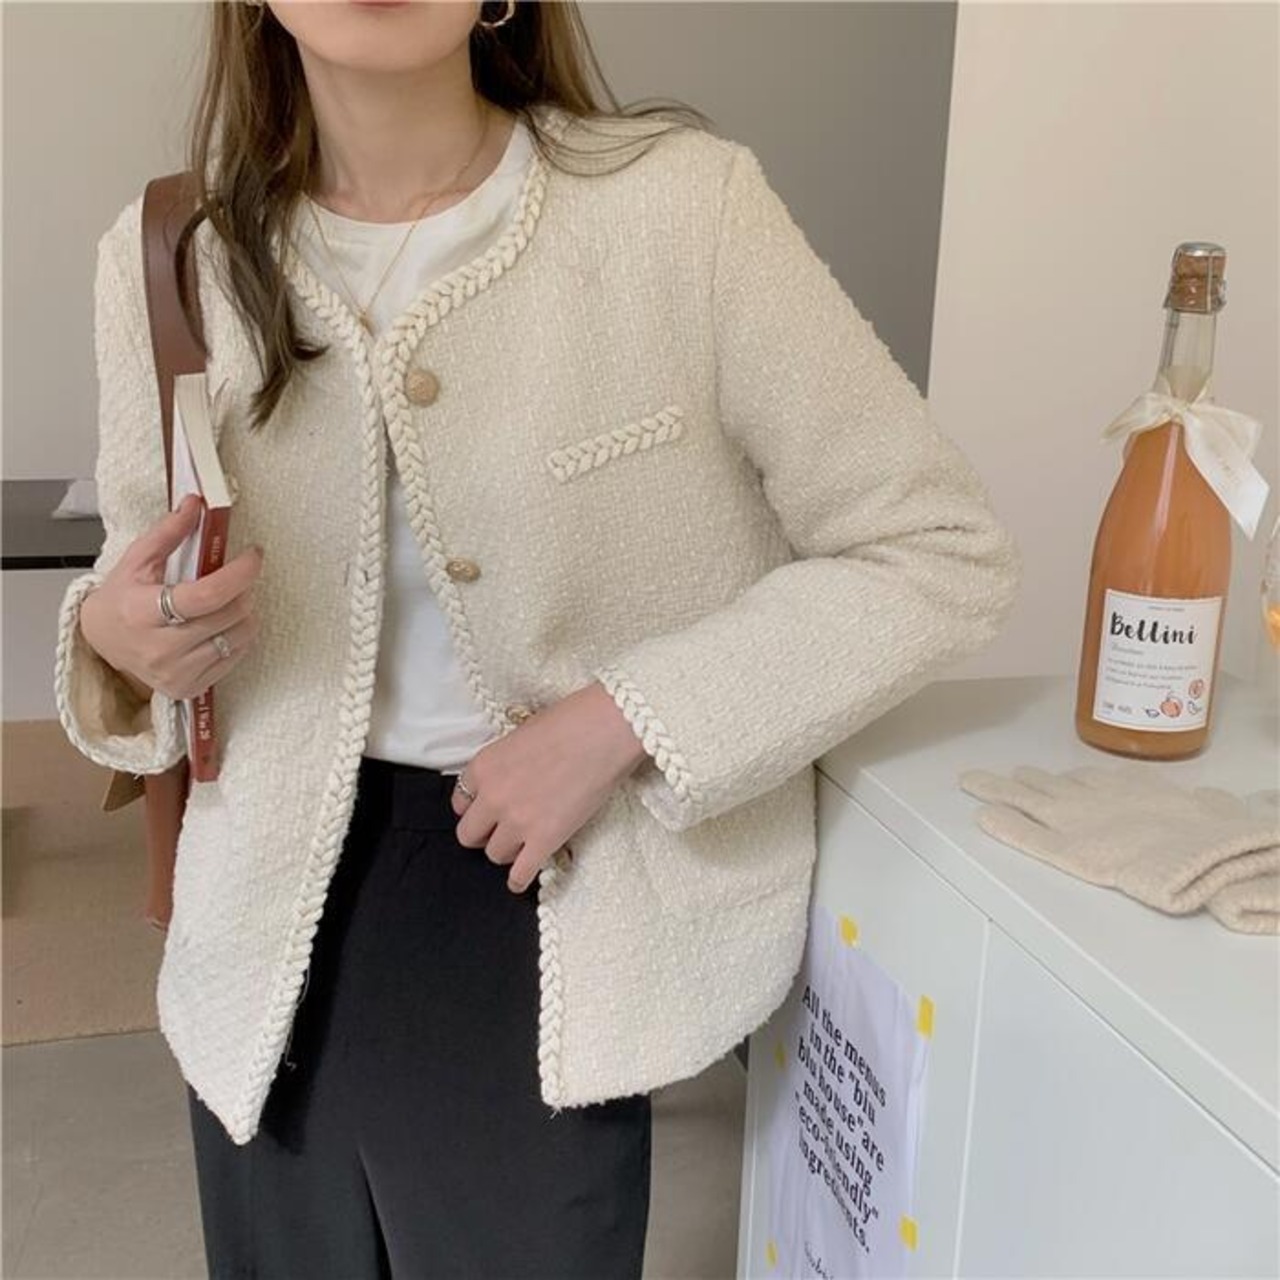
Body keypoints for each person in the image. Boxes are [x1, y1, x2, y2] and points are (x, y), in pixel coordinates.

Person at [52, 1, 1022, 1275]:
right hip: (257, 931)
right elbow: (141, 572)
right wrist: (120, 638)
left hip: (553, 892)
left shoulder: (680, 210)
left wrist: (625, 717)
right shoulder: (173, 254)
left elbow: (934, 547)